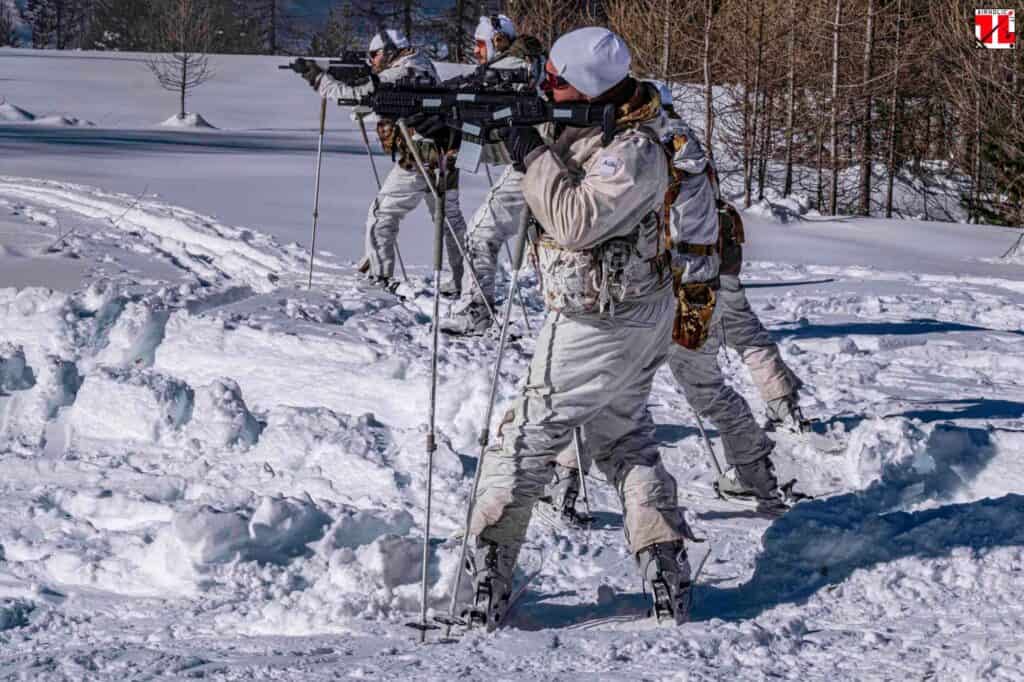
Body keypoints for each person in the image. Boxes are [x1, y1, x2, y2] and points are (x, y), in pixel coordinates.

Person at [462, 27, 695, 629]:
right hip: (629, 313)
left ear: (590, 87)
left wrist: (529, 148)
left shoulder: (636, 148)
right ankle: (663, 561)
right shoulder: (603, 124)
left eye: (556, 81)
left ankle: (484, 571)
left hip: (603, 321)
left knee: (526, 437)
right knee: (623, 439)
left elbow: (573, 220)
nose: (547, 87)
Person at [545, 86, 797, 519]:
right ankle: (756, 474)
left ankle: (564, 483)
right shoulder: (685, 143)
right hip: (700, 281)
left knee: (606, 385)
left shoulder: (644, 145)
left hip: (656, 284)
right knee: (705, 387)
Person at [300, 30, 467, 294]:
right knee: (450, 221)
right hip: (446, 154)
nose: (372, 60)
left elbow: (356, 95)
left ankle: (380, 276)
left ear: (390, 51)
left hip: (419, 158)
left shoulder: (398, 73)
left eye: (374, 54)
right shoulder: (422, 64)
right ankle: (464, 282)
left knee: (382, 214)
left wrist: (319, 79)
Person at [440, 15, 546, 334]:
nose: (476, 50)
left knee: (481, 234)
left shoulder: (509, 68)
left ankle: (477, 311)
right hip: (544, 162)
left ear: (498, 41)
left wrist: (447, 111)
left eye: (480, 43)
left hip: (533, 167)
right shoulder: (528, 65)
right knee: (548, 246)